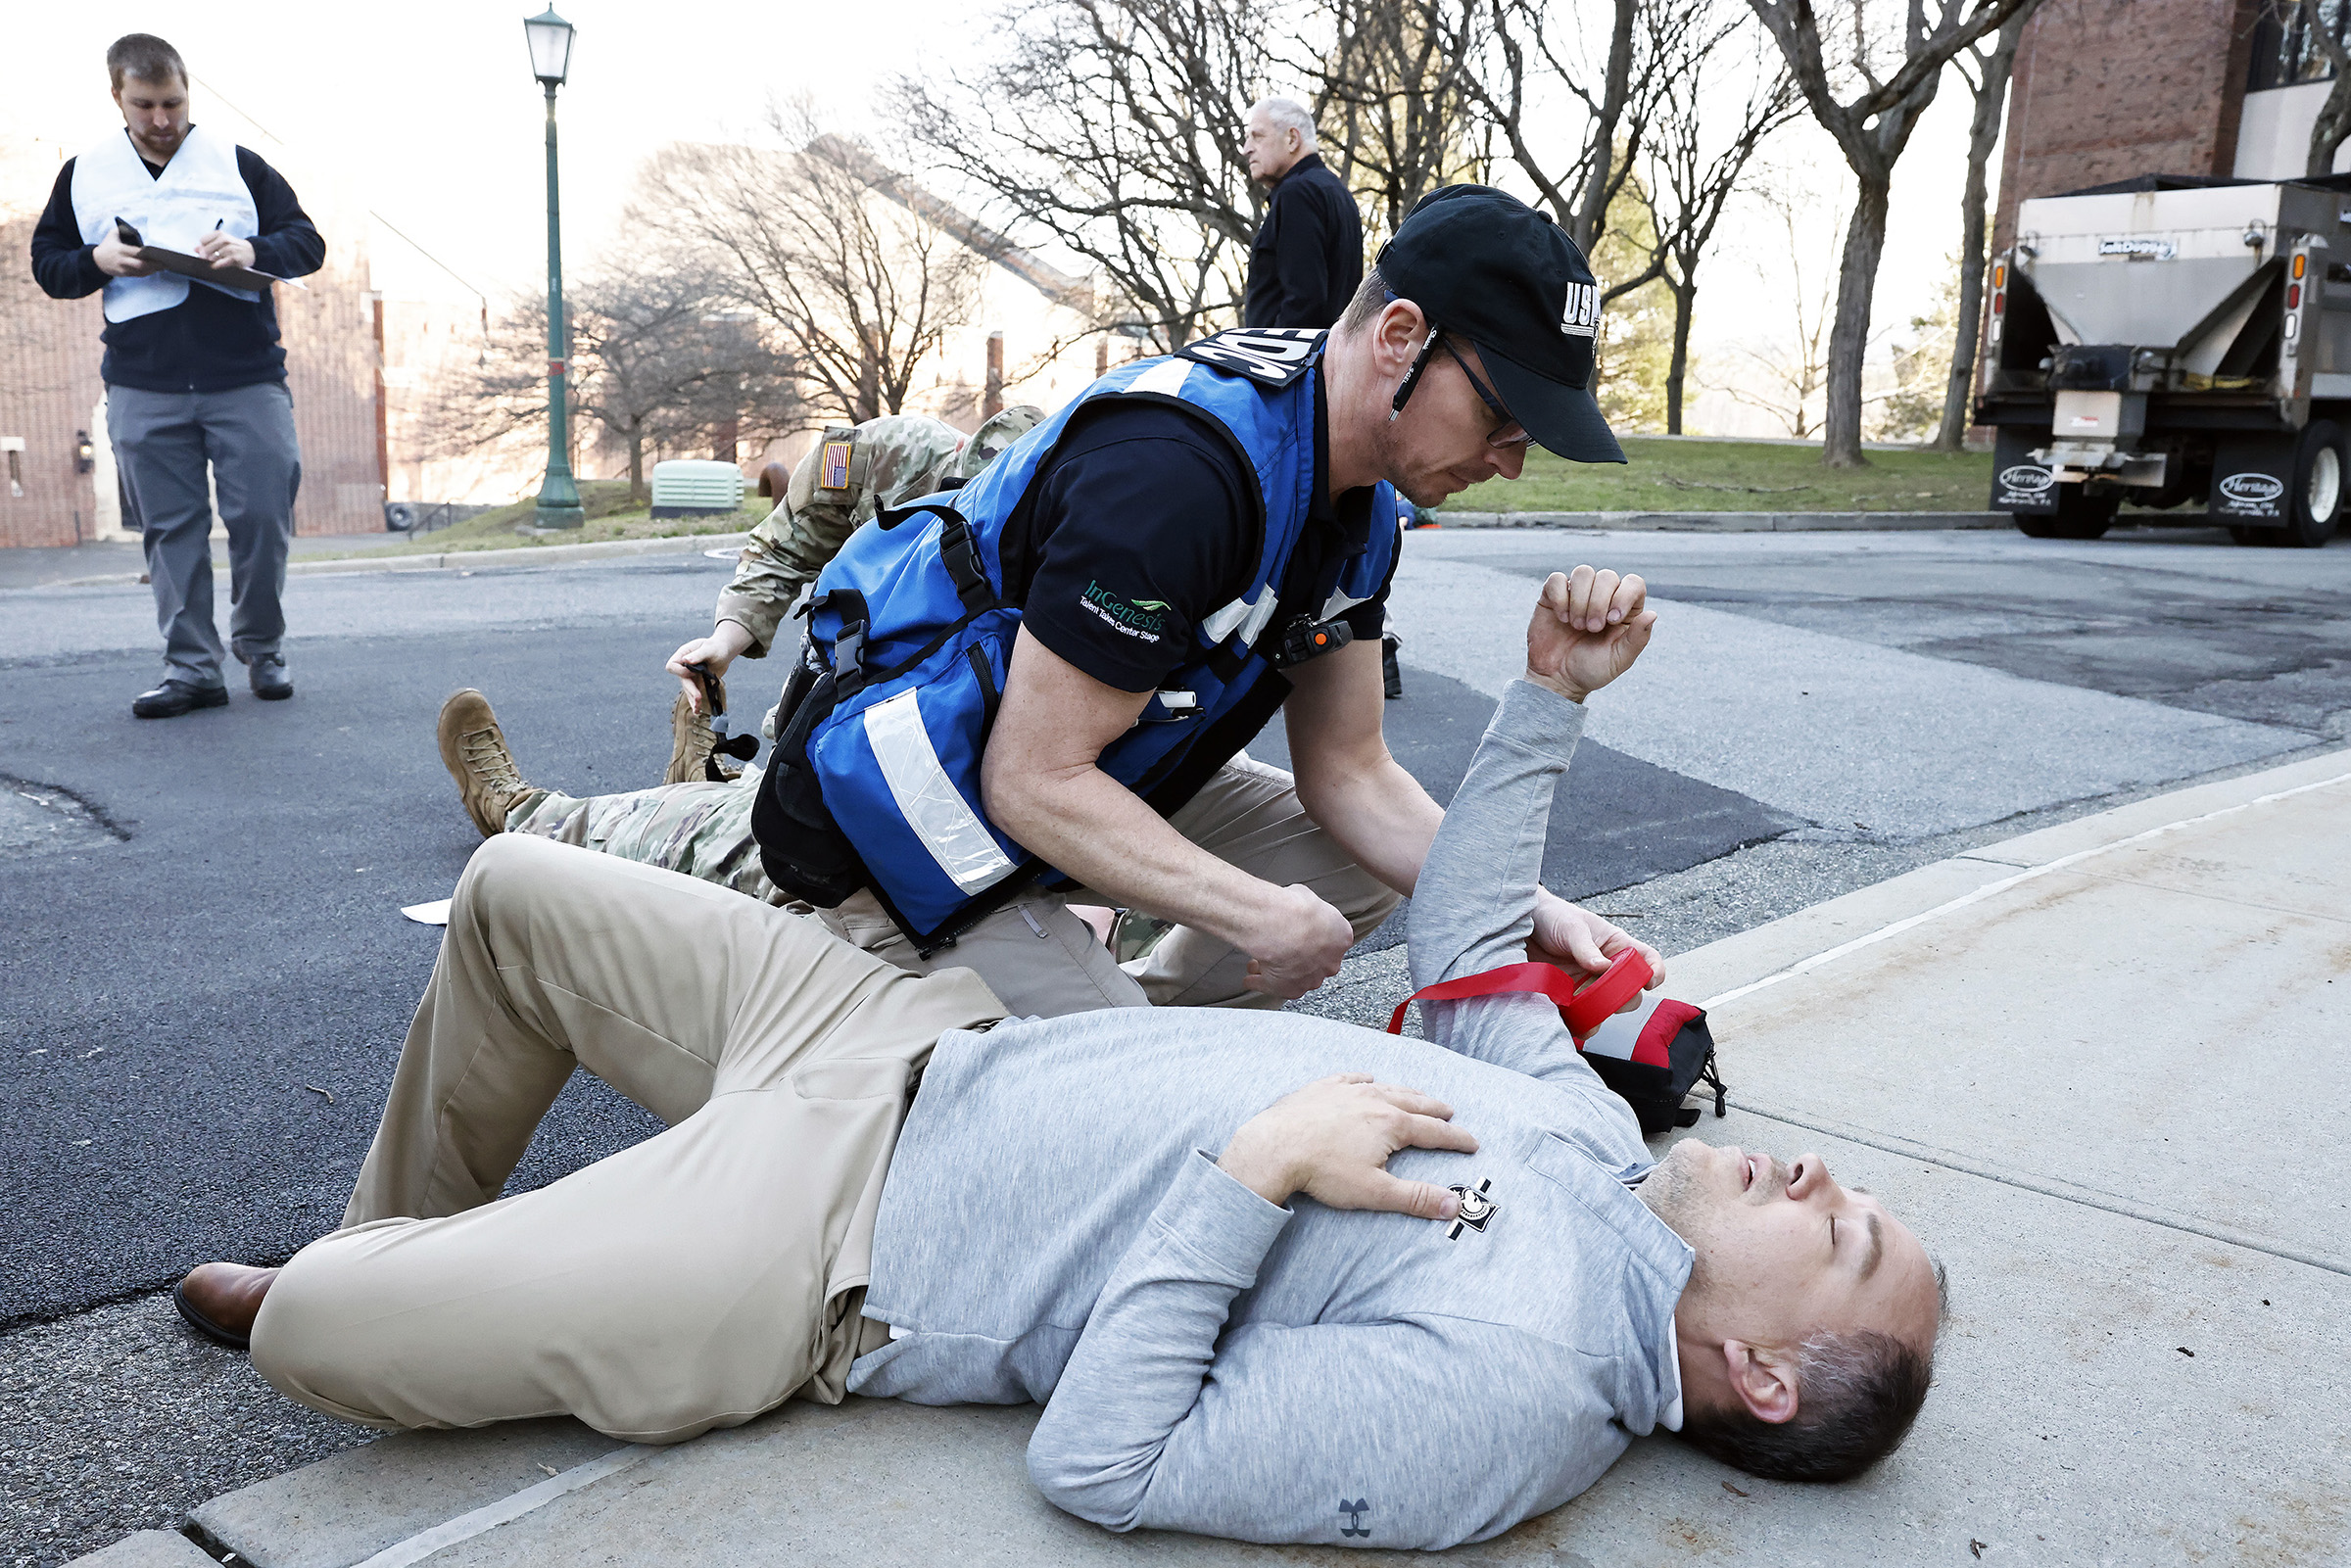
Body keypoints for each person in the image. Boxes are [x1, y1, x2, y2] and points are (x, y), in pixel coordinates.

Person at [172, 568, 1945, 1549]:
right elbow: (1468, 943)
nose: (1818, 1175)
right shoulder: (1578, 1128)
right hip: (905, 1035)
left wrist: (1257, 1178)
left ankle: (345, 1291)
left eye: (1844, 1235)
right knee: (516, 889)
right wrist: (1552, 698)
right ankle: (388, 1228)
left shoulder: (1517, 1395)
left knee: (328, 1337)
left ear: (1763, 1380)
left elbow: (1113, 1459)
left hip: (834, 1248)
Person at [752, 183, 1635, 1023]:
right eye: (1502, 418)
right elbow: (1032, 780)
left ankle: (1121, 1017)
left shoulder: (1360, 507)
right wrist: (1256, 916)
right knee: (1141, 1088)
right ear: (1400, 336)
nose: (1511, 460)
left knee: (1354, 874)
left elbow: (1352, 772)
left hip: (1049, 782)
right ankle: (986, 1013)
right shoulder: (1179, 475)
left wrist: (1531, 908)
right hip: (913, 822)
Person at [432, 407, 1043, 905]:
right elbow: (784, 545)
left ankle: (538, 811)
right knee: (745, 816)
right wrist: (728, 638)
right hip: (831, 716)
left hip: (918, 785)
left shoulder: (1059, 570)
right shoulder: (888, 454)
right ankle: (692, 791)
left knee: (745, 845)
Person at [26, 34, 325, 719]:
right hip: (143, 382)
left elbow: (306, 242)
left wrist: (252, 247)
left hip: (246, 376)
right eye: (145, 105)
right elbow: (49, 264)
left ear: (190, 92)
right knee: (171, 529)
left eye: (173, 102)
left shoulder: (238, 163)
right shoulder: (84, 173)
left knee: (263, 516)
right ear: (117, 97)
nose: (162, 120)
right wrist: (97, 259)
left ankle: (262, 644)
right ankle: (192, 668)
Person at [1241, 98, 1364, 331]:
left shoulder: (1297, 193)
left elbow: (1304, 301)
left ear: (1292, 139)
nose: (1247, 149)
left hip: (1288, 362)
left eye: (1257, 136)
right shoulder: (1335, 191)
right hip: (1327, 355)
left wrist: (1270, 354)